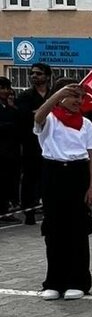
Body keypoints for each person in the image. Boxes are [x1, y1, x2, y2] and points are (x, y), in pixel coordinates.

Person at [32, 80, 92, 301]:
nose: (78, 101)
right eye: (73, 95)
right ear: (59, 96)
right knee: (54, 230)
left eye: (81, 97)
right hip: (53, 173)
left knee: (77, 230)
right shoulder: (50, 120)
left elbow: (91, 157)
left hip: (78, 174)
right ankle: (54, 281)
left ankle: (78, 280)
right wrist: (59, 93)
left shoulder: (87, 124)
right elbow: (38, 116)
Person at [15, 63, 52, 225]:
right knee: (30, 178)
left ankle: (47, 209)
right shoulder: (25, 97)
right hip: (31, 144)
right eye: (32, 74)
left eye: (39, 73)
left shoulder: (54, 95)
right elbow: (23, 118)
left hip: (51, 143)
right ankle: (28, 212)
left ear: (47, 76)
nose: (34, 76)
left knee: (49, 178)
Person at [0, 77, 20, 222]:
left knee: (8, 182)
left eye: (7, 88)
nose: (5, 91)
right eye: (2, 88)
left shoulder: (10, 107)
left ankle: (5, 209)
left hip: (10, 151)